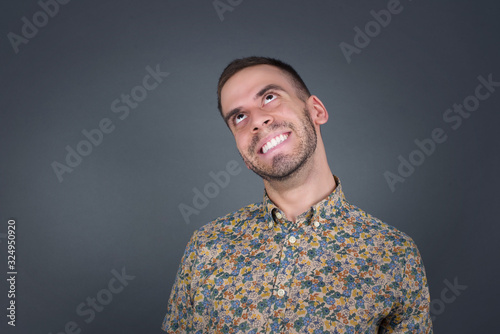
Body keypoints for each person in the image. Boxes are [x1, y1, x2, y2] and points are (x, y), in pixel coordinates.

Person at [161, 56, 433, 333]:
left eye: (269, 97)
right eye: (239, 117)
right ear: (243, 153)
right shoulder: (205, 247)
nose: (258, 121)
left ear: (316, 110)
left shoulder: (394, 254)